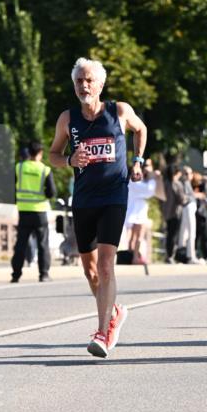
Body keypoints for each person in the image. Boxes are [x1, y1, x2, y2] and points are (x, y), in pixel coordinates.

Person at [49, 57, 147, 358]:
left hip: (114, 197)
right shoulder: (68, 119)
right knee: (91, 271)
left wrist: (137, 161)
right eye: (79, 80)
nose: (84, 85)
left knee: (106, 265)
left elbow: (140, 130)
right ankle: (114, 311)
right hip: (84, 200)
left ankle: (104, 332)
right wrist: (68, 161)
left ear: (100, 85)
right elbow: (53, 154)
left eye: (90, 80)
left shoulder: (118, 111)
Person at [10, 139, 56, 283]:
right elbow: (52, 193)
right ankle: (44, 274)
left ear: (28, 152)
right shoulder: (45, 170)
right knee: (42, 244)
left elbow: (11, 188)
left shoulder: (19, 168)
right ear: (40, 153)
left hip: (24, 211)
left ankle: (16, 275)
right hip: (40, 212)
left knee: (21, 244)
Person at [124, 158, 158, 264]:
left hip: (132, 212)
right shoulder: (135, 183)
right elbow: (149, 190)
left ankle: (130, 257)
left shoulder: (129, 183)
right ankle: (134, 258)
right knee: (139, 236)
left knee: (133, 237)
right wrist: (152, 177)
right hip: (138, 213)